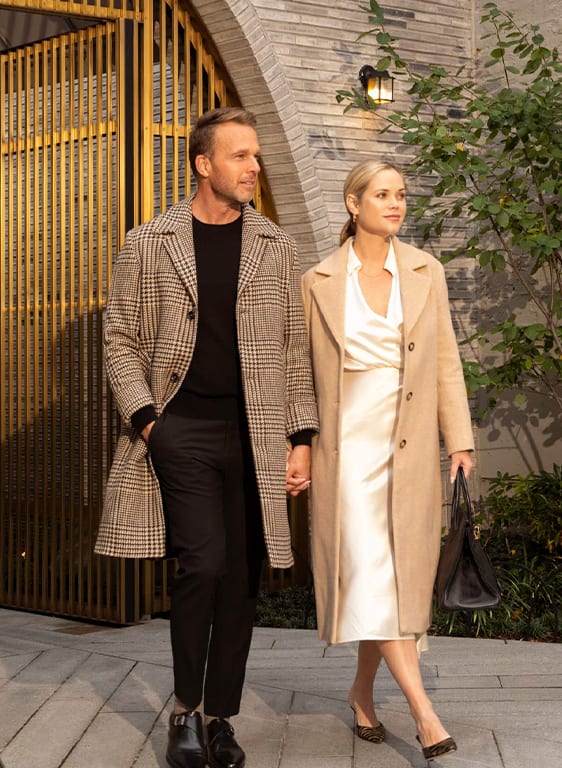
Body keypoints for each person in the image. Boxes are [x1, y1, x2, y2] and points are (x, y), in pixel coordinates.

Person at [95, 106, 318, 768]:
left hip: (253, 435)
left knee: (240, 582)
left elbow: (292, 349)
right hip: (180, 430)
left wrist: (298, 439)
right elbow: (120, 338)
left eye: (256, 156)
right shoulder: (149, 241)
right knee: (204, 564)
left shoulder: (274, 245)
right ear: (203, 164)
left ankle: (222, 719)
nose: (254, 167)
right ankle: (185, 712)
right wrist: (149, 422)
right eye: (240, 156)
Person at [302, 160, 474, 766]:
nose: (396, 204)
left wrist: (460, 441)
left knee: (394, 575)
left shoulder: (428, 271)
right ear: (354, 203)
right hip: (346, 449)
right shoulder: (318, 279)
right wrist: (297, 445)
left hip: (409, 445)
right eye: (382, 194)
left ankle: (361, 692)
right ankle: (426, 715)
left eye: (401, 194)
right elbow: (301, 374)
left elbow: (446, 360)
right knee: (374, 571)